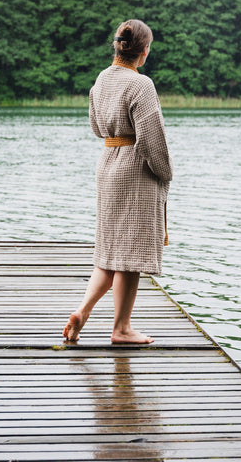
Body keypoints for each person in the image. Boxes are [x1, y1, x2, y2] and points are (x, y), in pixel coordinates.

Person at [63, 19, 173, 344]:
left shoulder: (102, 79)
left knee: (108, 251)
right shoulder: (141, 85)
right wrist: (165, 172)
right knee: (130, 255)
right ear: (143, 51)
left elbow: (97, 127)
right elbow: (152, 139)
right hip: (134, 170)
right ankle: (121, 328)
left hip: (108, 163)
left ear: (118, 46)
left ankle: (83, 310)